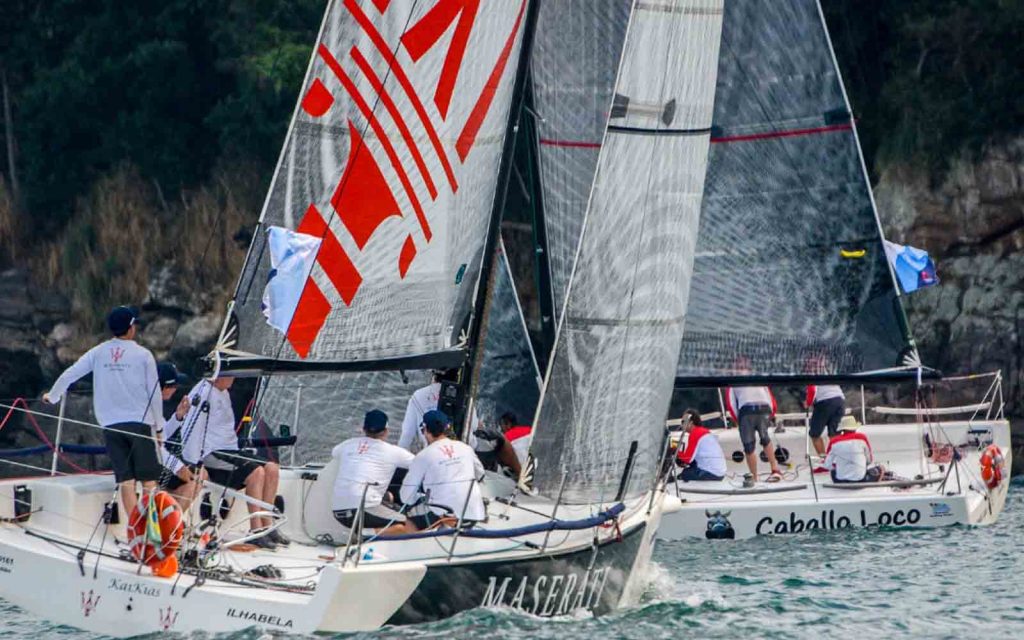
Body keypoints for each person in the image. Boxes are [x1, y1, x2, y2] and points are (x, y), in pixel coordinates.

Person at [42, 306, 163, 520]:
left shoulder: (98, 352)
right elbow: (154, 394)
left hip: (110, 425)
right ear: (131, 328)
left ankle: (134, 530)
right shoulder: (144, 355)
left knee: (126, 480)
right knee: (149, 481)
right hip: (139, 423)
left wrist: (53, 396)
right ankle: (151, 533)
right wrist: (159, 426)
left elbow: (71, 373)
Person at [172, 375, 287, 549]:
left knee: (271, 468)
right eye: (230, 374)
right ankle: (255, 531)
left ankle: (267, 526)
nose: (234, 378)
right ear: (217, 377)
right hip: (212, 452)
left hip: (230, 449)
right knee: (256, 473)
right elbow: (190, 428)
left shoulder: (223, 392)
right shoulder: (204, 393)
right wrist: (194, 461)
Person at [331, 410, 414, 535]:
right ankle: (364, 535)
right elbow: (420, 464)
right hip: (363, 510)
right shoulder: (393, 452)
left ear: (363, 429)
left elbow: (335, 453)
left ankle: (364, 535)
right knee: (411, 526)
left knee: (388, 497)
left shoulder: (347, 445)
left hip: (338, 511)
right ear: (386, 431)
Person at [401, 410, 486, 530]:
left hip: (446, 516)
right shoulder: (466, 448)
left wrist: (420, 495)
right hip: (475, 513)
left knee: (403, 515)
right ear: (447, 428)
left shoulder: (423, 456)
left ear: (424, 430)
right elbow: (480, 474)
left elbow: (406, 497)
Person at [156, 363, 206, 510]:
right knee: (197, 477)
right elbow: (155, 446)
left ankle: (171, 519)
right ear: (166, 387)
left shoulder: (154, 403)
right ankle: (172, 524)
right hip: (149, 462)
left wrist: (178, 416)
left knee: (201, 473)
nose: (176, 389)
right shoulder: (149, 407)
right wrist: (178, 467)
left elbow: (161, 434)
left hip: (157, 459)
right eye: (175, 386)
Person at [724, 383, 783, 486]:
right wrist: (771, 414)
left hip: (746, 410)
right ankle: (775, 470)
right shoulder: (756, 376)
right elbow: (769, 395)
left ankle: (754, 478)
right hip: (764, 407)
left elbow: (731, 402)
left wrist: (738, 420)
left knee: (749, 446)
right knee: (765, 438)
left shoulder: (732, 380)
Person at [824, 415, 884, 483]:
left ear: (842, 429)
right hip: (861, 478)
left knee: (834, 472)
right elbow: (869, 460)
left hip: (839, 480)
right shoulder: (861, 438)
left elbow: (827, 464)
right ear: (855, 428)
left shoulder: (834, 441)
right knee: (881, 468)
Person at [674, 409, 726, 482]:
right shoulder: (704, 431)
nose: (681, 425)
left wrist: (675, 450)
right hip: (720, 472)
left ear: (690, 422)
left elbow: (687, 459)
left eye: (683, 422)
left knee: (685, 474)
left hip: (711, 473)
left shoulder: (695, 434)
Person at [805, 384, 846, 457]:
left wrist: (808, 403)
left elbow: (812, 390)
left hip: (824, 401)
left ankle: (824, 459)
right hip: (840, 400)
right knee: (834, 433)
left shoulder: (811, 373)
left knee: (815, 434)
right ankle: (838, 459)